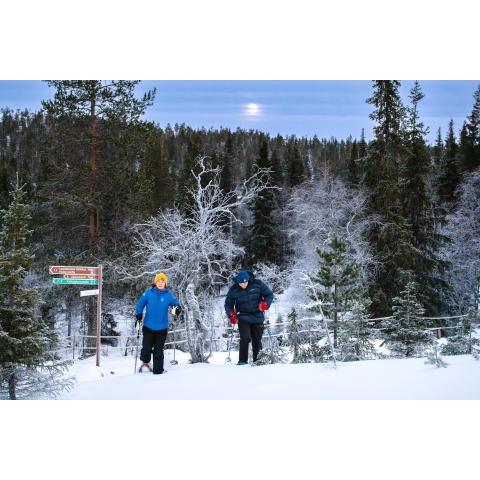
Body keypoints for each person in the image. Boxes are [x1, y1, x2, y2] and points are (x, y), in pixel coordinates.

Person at [135, 272, 182, 374]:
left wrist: (176, 309)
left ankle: (158, 371)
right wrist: (138, 315)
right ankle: (145, 363)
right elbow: (140, 304)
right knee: (146, 348)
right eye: (158, 281)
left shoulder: (168, 295)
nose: (160, 283)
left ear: (165, 283)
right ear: (155, 282)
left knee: (158, 350)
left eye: (162, 281)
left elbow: (175, 305)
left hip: (162, 328)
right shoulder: (148, 293)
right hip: (148, 326)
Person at [224, 270, 274, 365]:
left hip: (257, 316)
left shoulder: (258, 284)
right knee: (245, 338)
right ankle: (242, 361)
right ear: (237, 282)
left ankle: (258, 360)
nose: (243, 285)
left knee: (257, 339)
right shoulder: (233, 289)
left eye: (245, 283)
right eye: (240, 283)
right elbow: (228, 304)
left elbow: (269, 295)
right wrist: (231, 315)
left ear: (248, 280)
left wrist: (265, 304)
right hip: (243, 316)